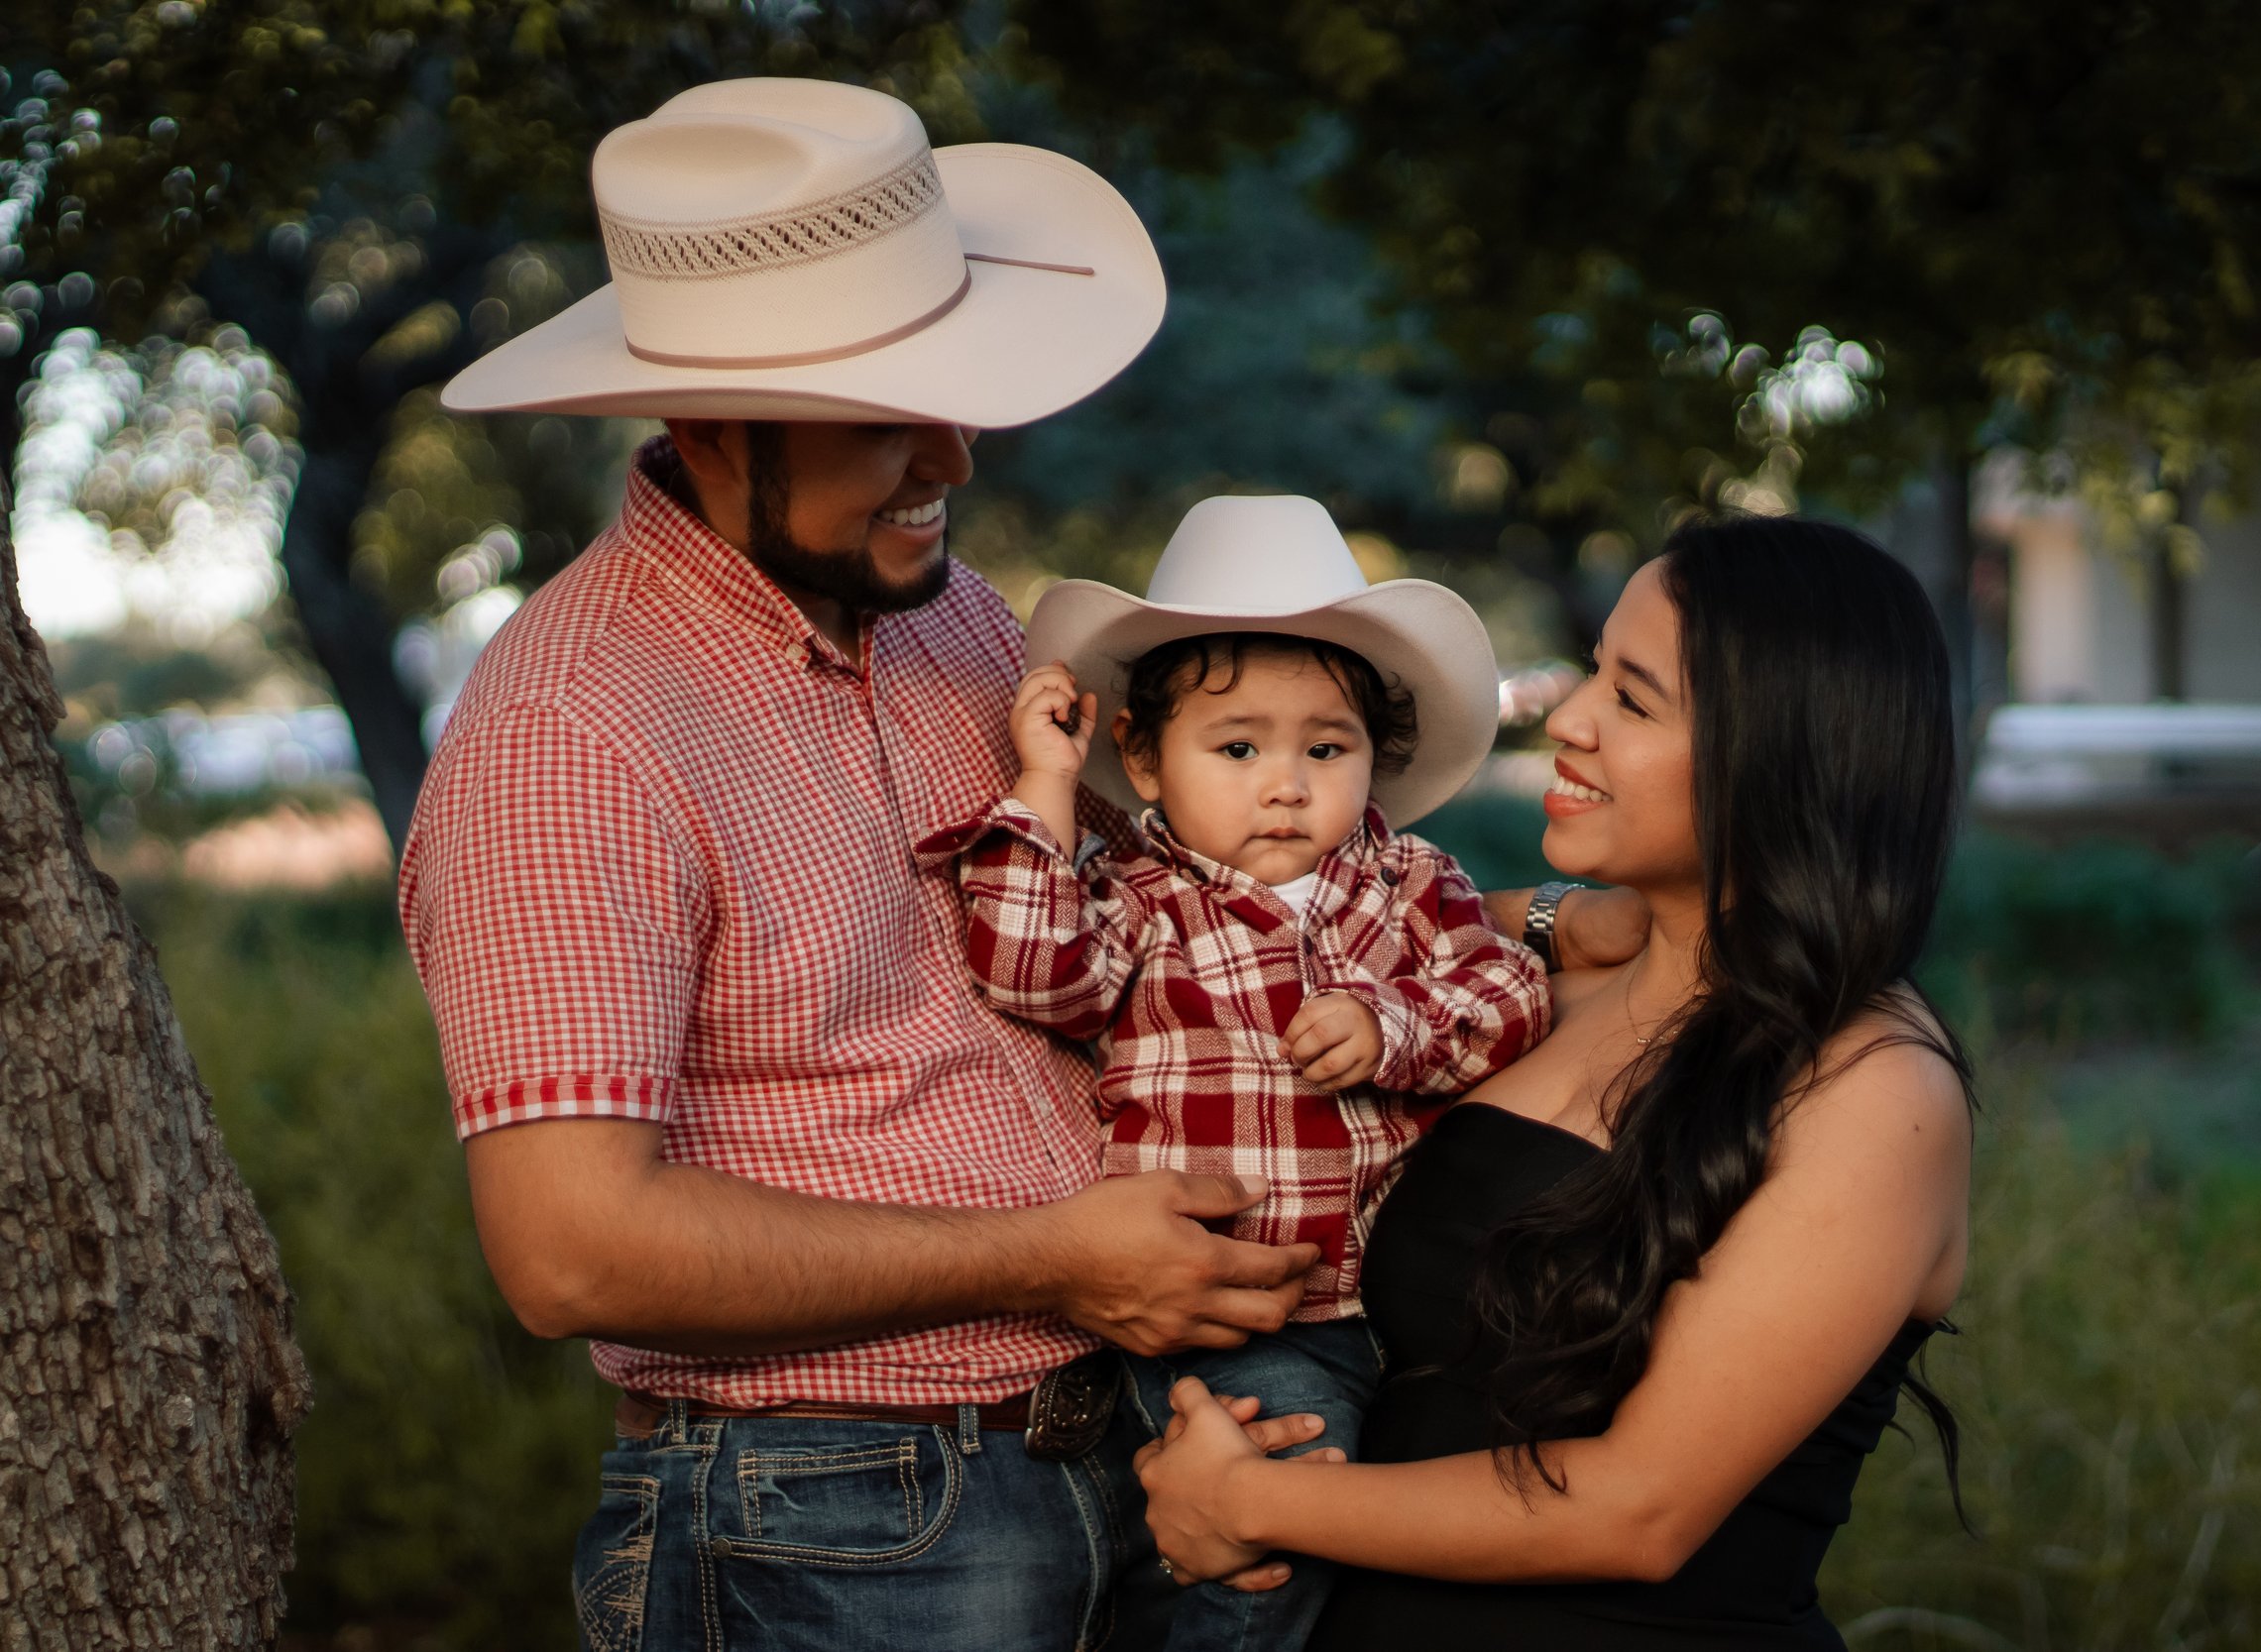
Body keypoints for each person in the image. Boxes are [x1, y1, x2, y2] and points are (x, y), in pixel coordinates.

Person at [397, 76, 1647, 1651]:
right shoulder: (574, 730)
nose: (954, 457)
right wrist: (1048, 1255)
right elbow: (571, 1247)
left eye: (954, 391)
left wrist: (1525, 919)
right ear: (706, 419)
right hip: (838, 1515)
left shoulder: (945, 618)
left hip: (1127, 1439)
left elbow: (1210, 894)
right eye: (884, 414)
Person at [1132, 515, 1978, 1651]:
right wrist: (1553, 914)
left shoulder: (1872, 1086)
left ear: (1781, 750)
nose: (1567, 719)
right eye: (1589, 675)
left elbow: (1642, 1507)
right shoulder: (1540, 994)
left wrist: (1244, 1501)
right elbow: (1320, 921)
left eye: (1631, 700)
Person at [918, 495, 1554, 1652]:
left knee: (1414, 1552)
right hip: (1236, 1311)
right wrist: (1046, 786)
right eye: (1238, 746)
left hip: (1415, 1303)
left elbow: (1507, 994)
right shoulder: (1135, 896)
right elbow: (1028, 970)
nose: (1285, 783)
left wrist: (1391, 1024)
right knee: (1260, 1557)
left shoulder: (1411, 882)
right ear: (1144, 758)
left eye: (1326, 747)